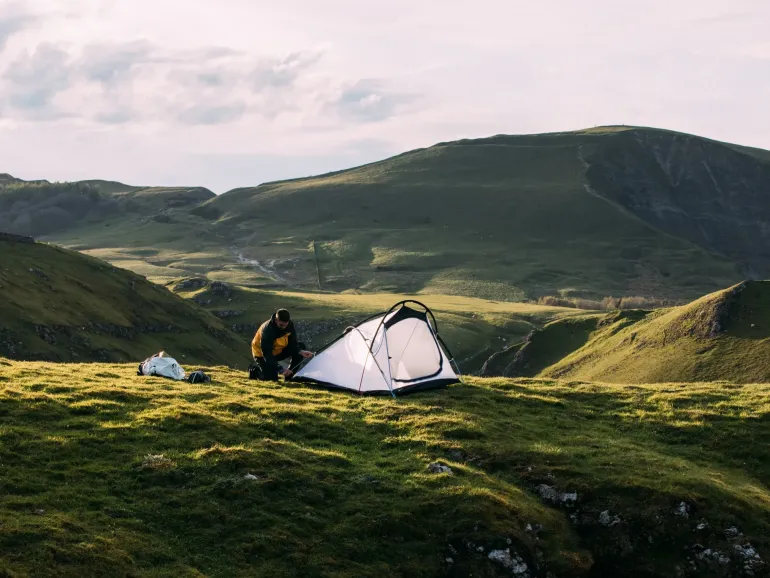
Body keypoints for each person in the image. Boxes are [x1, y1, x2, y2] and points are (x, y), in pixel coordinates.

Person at [251, 309, 314, 381]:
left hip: (278, 351)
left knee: (300, 346)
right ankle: (255, 371)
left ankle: (290, 376)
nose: (283, 327)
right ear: (276, 320)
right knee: (272, 380)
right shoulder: (268, 330)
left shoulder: (289, 325)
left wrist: (300, 351)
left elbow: (293, 343)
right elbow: (267, 354)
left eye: (285, 325)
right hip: (261, 355)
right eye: (281, 325)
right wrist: (280, 369)